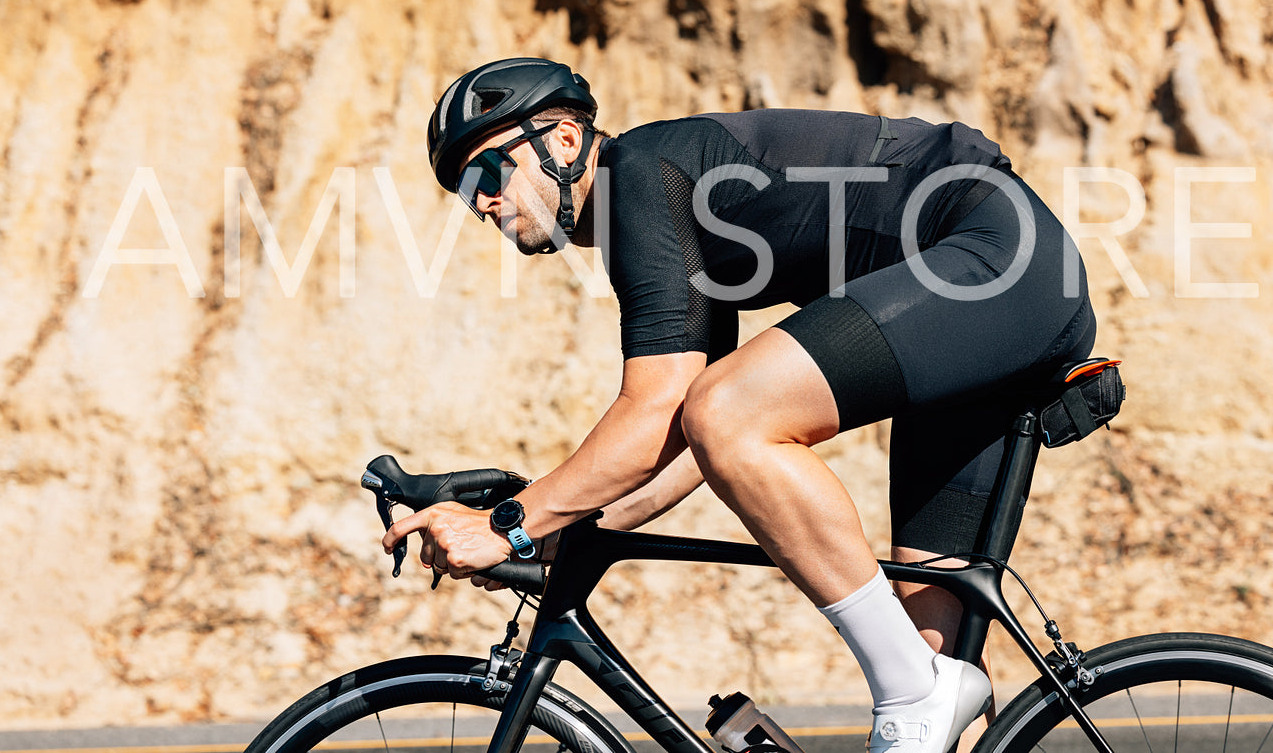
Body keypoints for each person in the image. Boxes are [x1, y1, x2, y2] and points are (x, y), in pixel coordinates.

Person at [384, 56, 1096, 753]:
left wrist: (508, 525)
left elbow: (668, 409)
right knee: (928, 652)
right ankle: (923, 690)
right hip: (981, 307)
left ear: (562, 141)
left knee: (736, 413)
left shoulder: (642, 173)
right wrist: (556, 532)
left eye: (485, 172)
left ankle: (914, 689)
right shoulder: (668, 211)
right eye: (461, 192)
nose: (479, 202)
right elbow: (688, 436)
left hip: (993, 258)